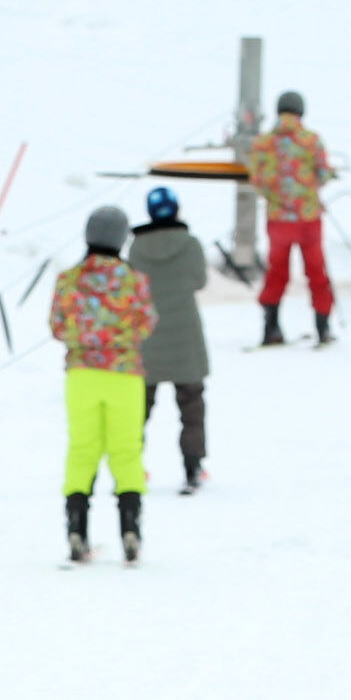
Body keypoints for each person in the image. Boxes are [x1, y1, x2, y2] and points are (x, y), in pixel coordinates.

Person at [50, 205, 158, 566]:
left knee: (82, 449)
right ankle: (130, 528)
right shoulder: (134, 280)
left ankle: (76, 528)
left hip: (82, 374)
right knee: (126, 450)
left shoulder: (69, 279)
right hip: (124, 375)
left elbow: (57, 327)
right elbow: (146, 324)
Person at [129, 185, 213, 493]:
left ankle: (131, 466)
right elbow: (199, 281)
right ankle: (193, 466)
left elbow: (133, 289)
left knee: (138, 408)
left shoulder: (136, 248)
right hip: (185, 336)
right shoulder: (190, 244)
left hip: (147, 336)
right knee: (191, 407)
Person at [246, 90, 336, 348]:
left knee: (276, 273)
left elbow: (256, 180)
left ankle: (271, 327)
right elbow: (323, 174)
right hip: (308, 219)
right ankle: (322, 327)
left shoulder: (263, 142)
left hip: (278, 220)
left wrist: (275, 198)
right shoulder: (311, 140)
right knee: (316, 272)